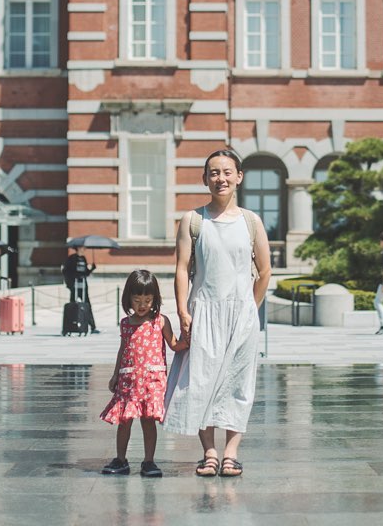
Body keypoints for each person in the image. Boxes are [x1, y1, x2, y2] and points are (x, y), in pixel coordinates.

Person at [163, 149, 271, 478]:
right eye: (213, 173)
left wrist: (249, 309)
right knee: (199, 383)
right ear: (205, 179)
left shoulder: (251, 221)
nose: (220, 178)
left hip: (241, 315)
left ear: (238, 177)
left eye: (226, 172)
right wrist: (182, 309)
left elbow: (264, 272)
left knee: (239, 383)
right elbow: (182, 269)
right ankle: (209, 452)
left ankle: (231, 453)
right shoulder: (194, 221)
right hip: (203, 312)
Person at [100, 270, 188, 477]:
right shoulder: (126, 323)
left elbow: (174, 345)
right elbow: (123, 349)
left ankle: (149, 461)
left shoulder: (160, 321)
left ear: (155, 299)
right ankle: (121, 459)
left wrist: (187, 341)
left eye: (147, 300)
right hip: (129, 380)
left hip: (151, 382)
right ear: (128, 298)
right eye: (137, 299)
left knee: (148, 422)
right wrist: (115, 375)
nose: (142, 305)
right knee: (124, 421)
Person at [61, 247, 99, 333]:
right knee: (72, 305)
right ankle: (70, 326)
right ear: (78, 248)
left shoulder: (83, 259)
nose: (84, 250)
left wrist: (91, 269)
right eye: (82, 248)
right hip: (75, 286)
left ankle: (92, 326)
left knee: (87, 305)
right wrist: (70, 281)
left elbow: (85, 273)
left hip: (83, 286)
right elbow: (65, 271)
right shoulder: (72, 258)